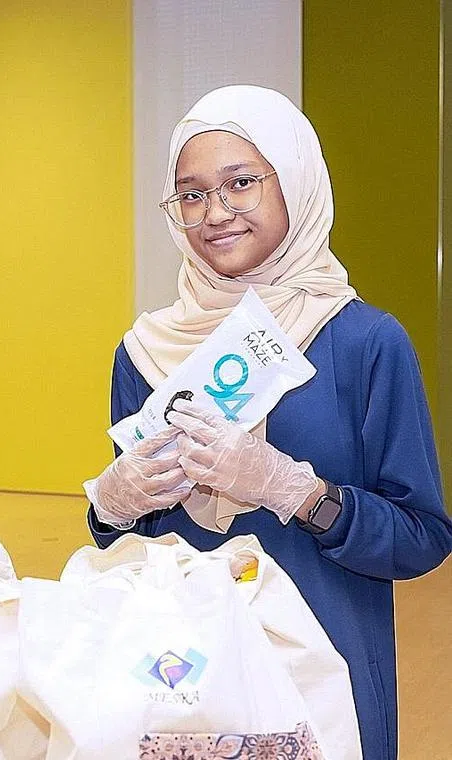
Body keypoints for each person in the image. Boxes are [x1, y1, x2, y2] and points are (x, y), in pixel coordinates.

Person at [85, 85, 452, 760]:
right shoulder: (145, 351)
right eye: (191, 194)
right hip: (187, 682)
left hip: (323, 678)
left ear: (295, 182)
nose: (214, 213)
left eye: (240, 183)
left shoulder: (364, 342)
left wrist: (299, 494)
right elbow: (130, 545)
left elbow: (421, 538)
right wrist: (112, 505)